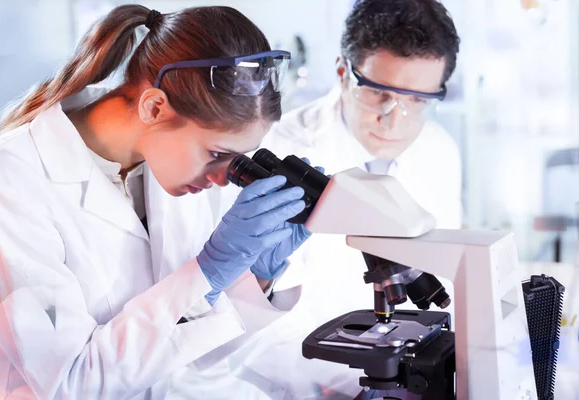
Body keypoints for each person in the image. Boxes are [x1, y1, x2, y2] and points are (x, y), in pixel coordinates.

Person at [0, 5, 312, 399]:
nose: (225, 177)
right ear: (154, 107)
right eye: (217, 154)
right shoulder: (6, 180)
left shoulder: (170, 167)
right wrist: (206, 273)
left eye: (238, 160)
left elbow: (189, 351)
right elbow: (70, 383)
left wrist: (255, 275)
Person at [165, 0, 463, 398]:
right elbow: (230, 326)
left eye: (417, 101)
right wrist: (350, 387)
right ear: (343, 73)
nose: (395, 119)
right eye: (379, 94)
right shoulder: (272, 149)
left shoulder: (440, 151)